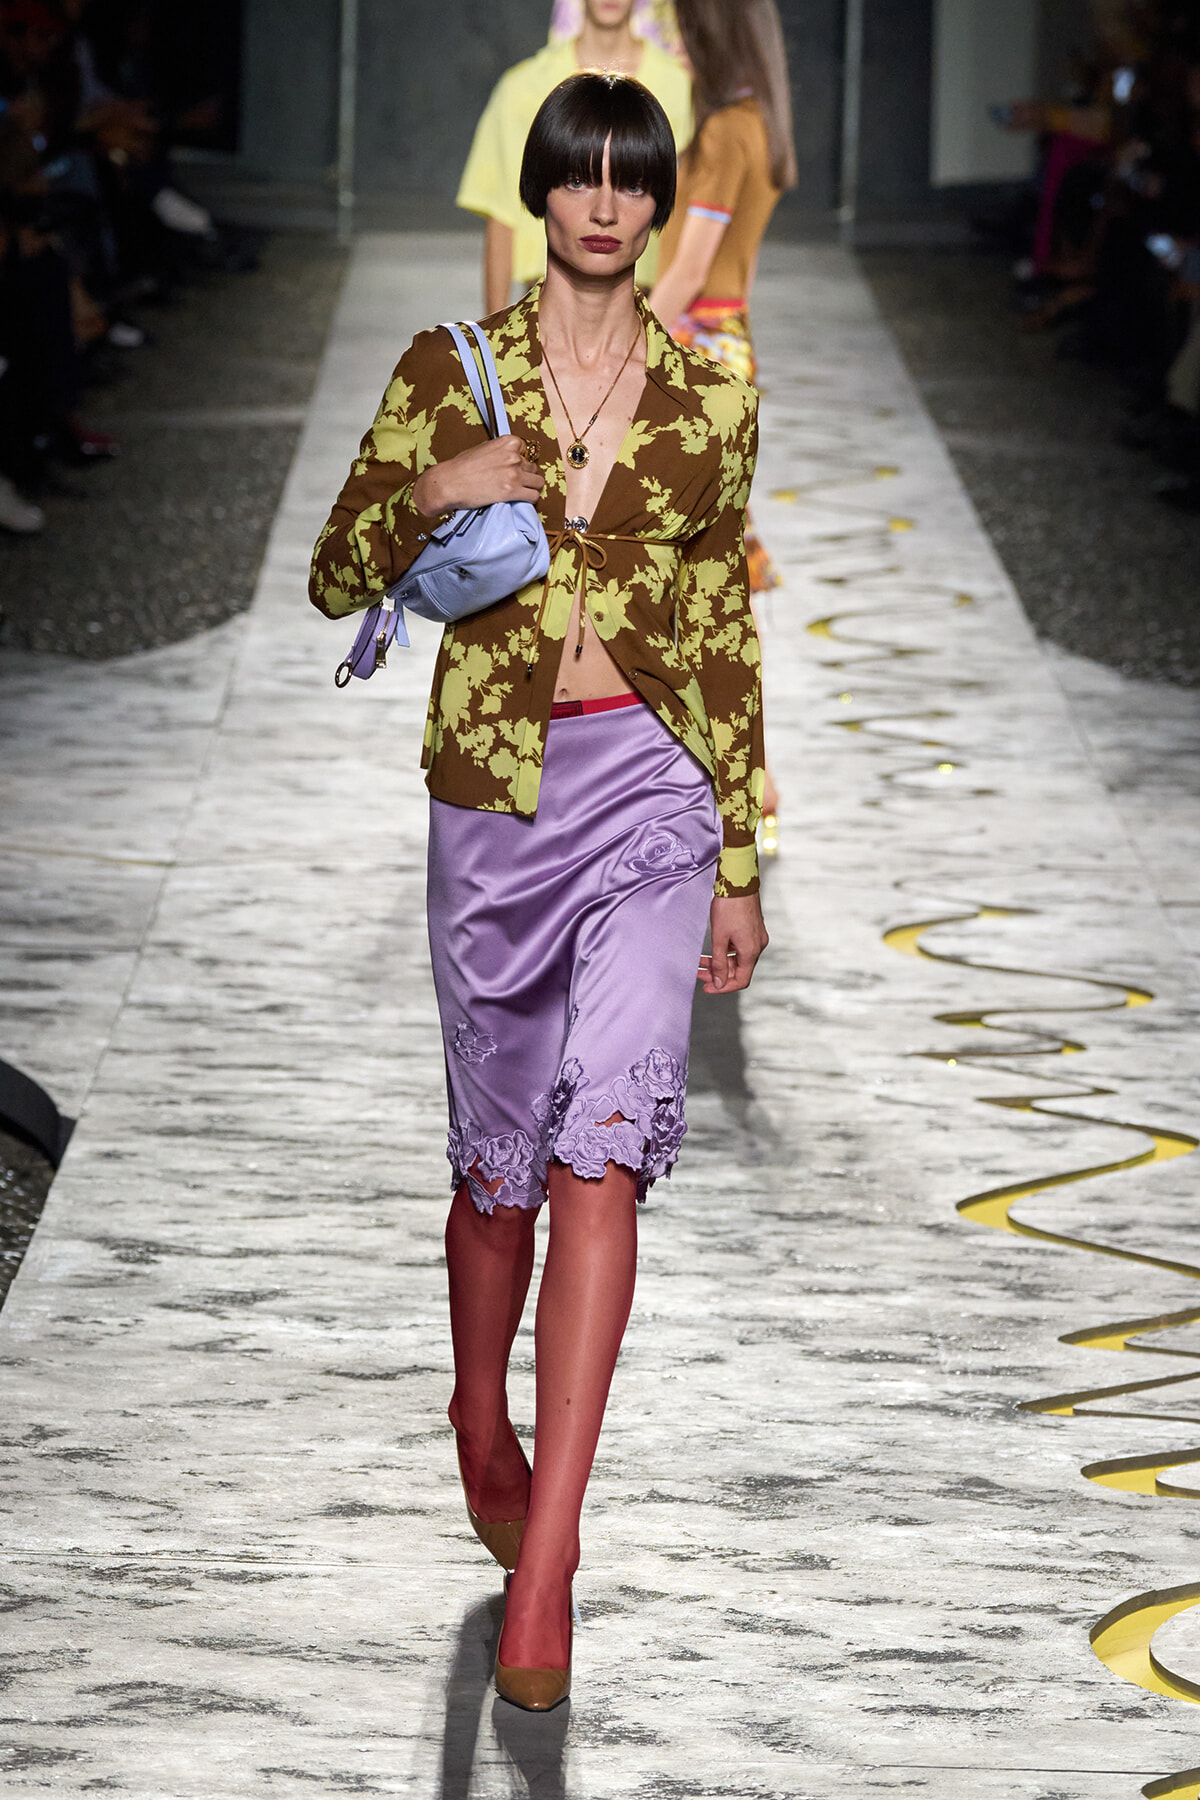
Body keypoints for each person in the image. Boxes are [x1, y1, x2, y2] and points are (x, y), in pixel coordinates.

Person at [311, 72, 767, 1710]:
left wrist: (742, 856)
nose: (600, 205)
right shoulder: (453, 370)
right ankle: (473, 1415)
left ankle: (551, 1559)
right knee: (499, 1175)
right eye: (573, 177)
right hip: (495, 799)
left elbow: (721, 628)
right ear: (542, 192)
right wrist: (437, 488)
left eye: (626, 181)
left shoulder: (712, 393)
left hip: (652, 785)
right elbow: (334, 570)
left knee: (602, 1155)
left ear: (654, 204)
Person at [649, 0, 796, 815]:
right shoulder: (756, 128)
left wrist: (615, 348)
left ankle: (742, 778)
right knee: (711, 574)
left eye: (677, 21)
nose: (670, 37)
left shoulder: (722, 135)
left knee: (695, 580)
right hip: (725, 345)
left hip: (695, 354)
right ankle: (745, 775)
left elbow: (689, 269)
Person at [457, 0, 691, 313]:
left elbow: (691, 210)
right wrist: (494, 335)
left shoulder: (680, 88)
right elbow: (502, 214)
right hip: (545, 310)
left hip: (648, 310)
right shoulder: (523, 87)